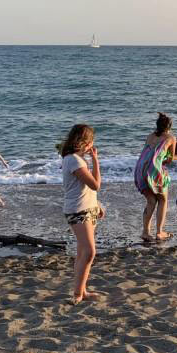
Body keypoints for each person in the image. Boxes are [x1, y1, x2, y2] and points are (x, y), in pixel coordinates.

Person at [60, 124, 105, 304]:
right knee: (89, 253)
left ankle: (82, 291)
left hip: (87, 208)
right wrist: (95, 160)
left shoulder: (75, 159)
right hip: (78, 210)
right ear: (85, 142)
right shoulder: (74, 160)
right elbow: (95, 184)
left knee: (82, 252)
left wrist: (97, 205)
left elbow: (86, 189)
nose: (92, 145)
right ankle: (78, 293)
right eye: (91, 141)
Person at [134, 113, 176, 242]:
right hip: (154, 170)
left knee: (151, 201)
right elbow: (169, 159)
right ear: (169, 127)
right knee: (162, 199)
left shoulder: (150, 136)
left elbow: (150, 153)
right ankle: (159, 232)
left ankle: (145, 232)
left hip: (140, 168)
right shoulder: (171, 138)